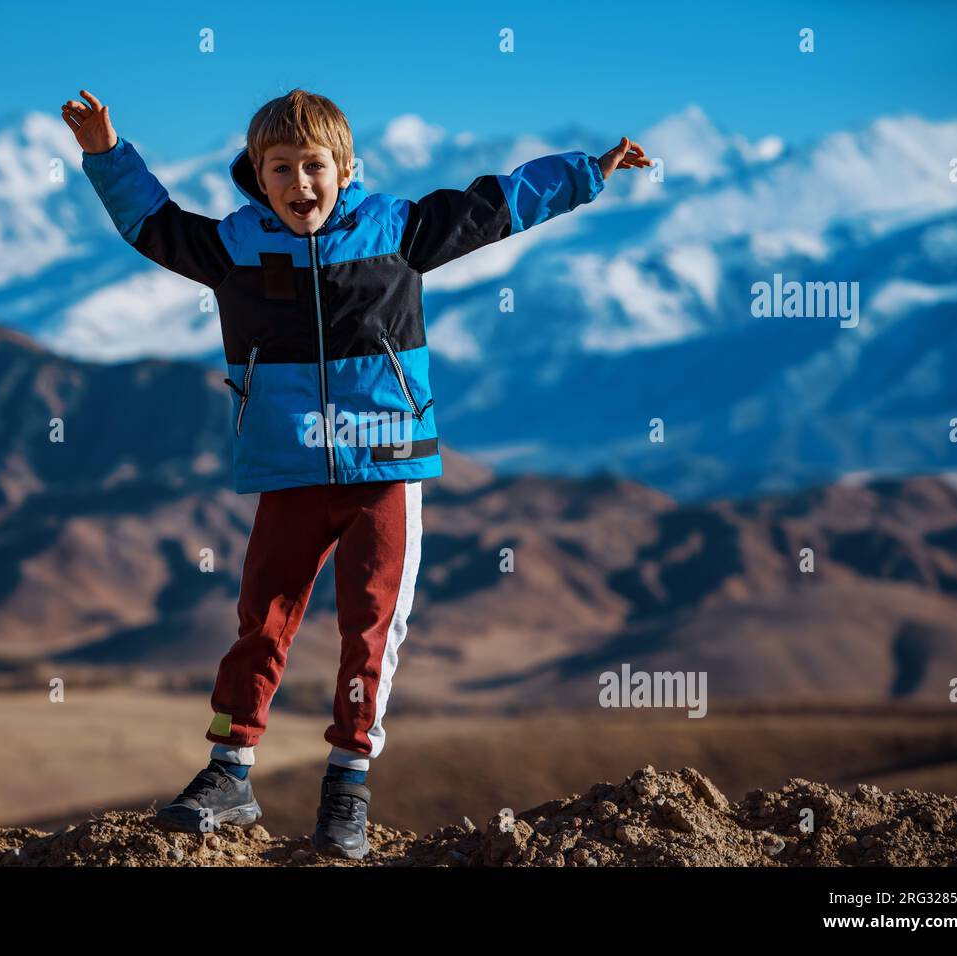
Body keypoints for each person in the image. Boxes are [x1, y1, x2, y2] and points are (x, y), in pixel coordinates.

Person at [63, 87, 649, 859]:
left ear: (345, 169)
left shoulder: (397, 230)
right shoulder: (237, 247)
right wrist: (107, 154)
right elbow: (154, 226)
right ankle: (229, 769)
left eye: (313, 166)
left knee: (369, 628)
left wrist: (588, 171)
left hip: (384, 467)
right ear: (256, 174)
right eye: (281, 169)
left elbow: (497, 205)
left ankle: (347, 786)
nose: (298, 183)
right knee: (260, 619)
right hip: (289, 467)